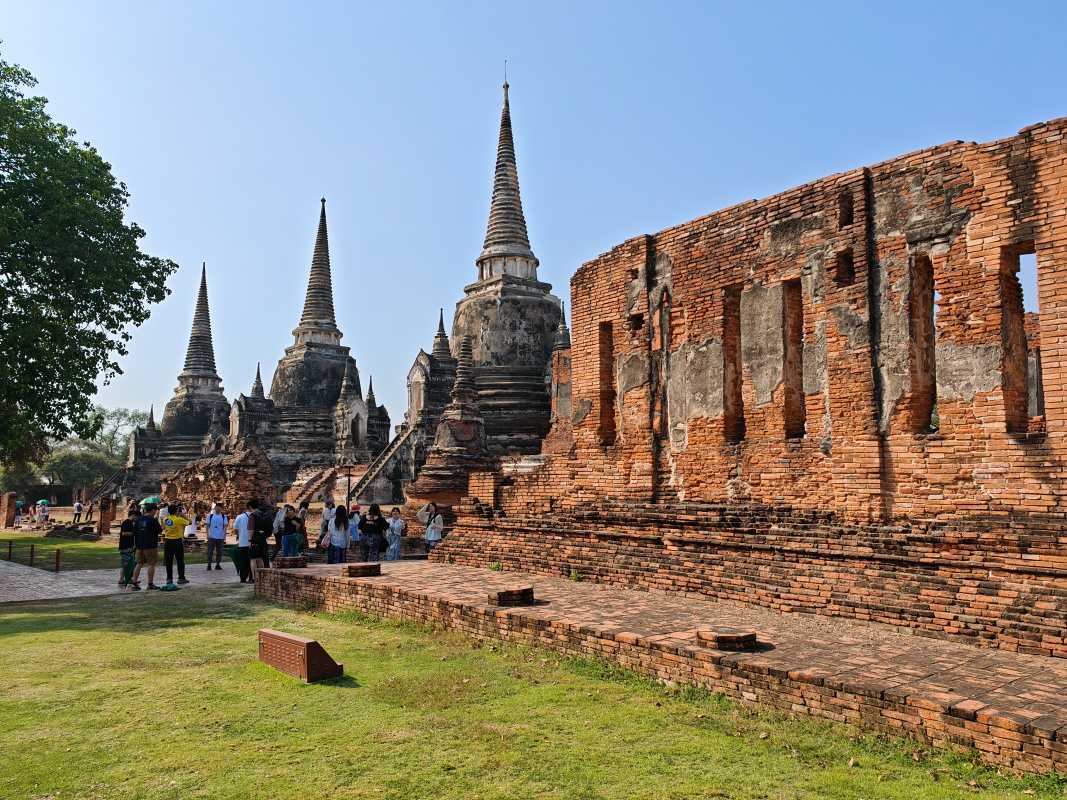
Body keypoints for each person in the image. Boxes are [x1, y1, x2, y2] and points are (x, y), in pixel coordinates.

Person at [130, 503, 163, 590]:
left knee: (139, 563)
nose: (156, 512)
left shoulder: (138, 520)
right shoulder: (153, 520)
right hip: (150, 545)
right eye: (155, 511)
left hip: (139, 545)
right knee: (151, 564)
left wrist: (135, 545)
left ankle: (134, 582)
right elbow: (160, 531)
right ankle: (150, 584)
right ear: (152, 510)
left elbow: (134, 533)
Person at [160, 502, 191, 585]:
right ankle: (181, 578)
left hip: (168, 541)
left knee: (169, 561)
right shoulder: (179, 519)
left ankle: (169, 579)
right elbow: (190, 522)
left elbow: (162, 527)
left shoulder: (165, 519)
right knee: (180, 560)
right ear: (176, 511)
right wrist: (182, 515)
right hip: (177, 541)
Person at [233, 499, 257, 583]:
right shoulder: (256, 516)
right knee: (253, 561)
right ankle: (252, 577)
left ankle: (243, 578)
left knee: (243, 562)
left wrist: (239, 535)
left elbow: (235, 528)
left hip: (243, 543)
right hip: (253, 543)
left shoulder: (240, 517)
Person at [118, 505, 139, 587]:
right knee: (126, 564)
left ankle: (125, 579)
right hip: (125, 546)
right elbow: (124, 533)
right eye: (136, 517)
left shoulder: (130, 523)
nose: (136, 519)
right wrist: (134, 533)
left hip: (129, 546)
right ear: (133, 516)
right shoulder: (127, 522)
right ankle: (122, 579)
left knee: (128, 564)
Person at [250, 504, 273, 579]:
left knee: (254, 559)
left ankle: (254, 577)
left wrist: (250, 539)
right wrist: (265, 535)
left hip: (255, 538)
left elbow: (251, 529)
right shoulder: (268, 517)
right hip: (263, 539)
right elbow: (270, 530)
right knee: (263, 558)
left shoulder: (253, 515)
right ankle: (264, 576)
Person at [205, 503, 228, 570]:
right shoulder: (210, 516)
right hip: (211, 536)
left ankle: (218, 564)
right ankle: (209, 565)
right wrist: (207, 534)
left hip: (220, 537)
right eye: (217, 507)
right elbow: (207, 525)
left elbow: (225, 527)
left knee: (219, 552)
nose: (218, 509)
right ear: (215, 508)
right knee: (210, 551)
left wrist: (224, 535)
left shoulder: (224, 516)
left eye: (219, 507)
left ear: (221, 508)